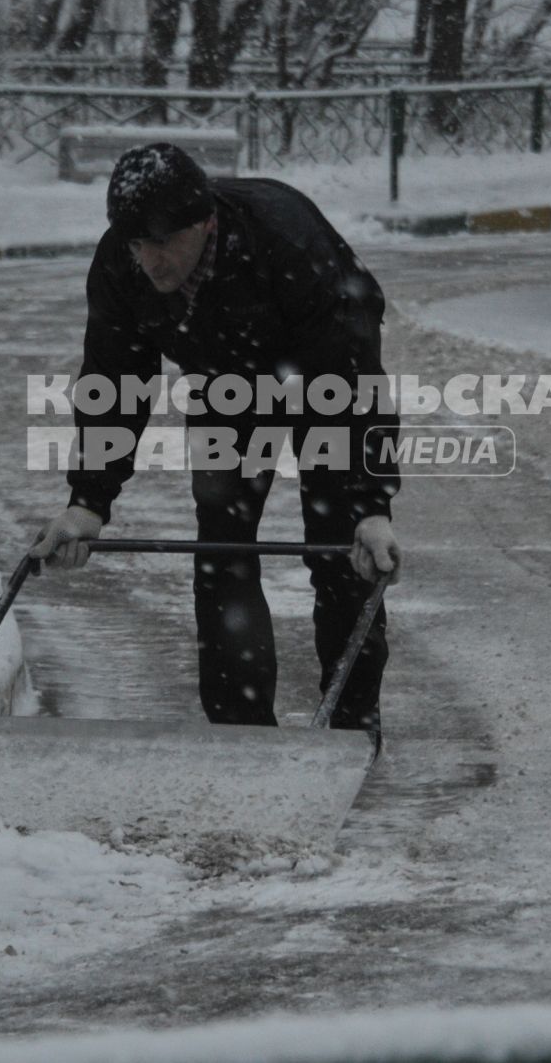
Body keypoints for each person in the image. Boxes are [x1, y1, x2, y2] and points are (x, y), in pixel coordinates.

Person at [30, 143, 402, 743]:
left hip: (322, 373)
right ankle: (241, 734)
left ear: (206, 224)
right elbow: (114, 383)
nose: (148, 259)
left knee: (341, 551)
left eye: (163, 241)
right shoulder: (121, 267)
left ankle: (351, 731)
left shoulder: (290, 246)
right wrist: (88, 502)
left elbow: (357, 384)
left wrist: (372, 507)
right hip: (226, 382)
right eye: (135, 243)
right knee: (222, 544)